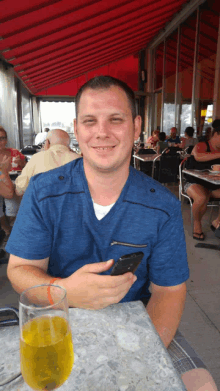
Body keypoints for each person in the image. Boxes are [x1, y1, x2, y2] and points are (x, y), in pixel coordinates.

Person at [6, 76, 217, 391]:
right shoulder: (44, 192)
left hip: (142, 320)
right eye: (90, 121)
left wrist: (142, 350)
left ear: (135, 126)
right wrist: (65, 290)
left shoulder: (162, 206)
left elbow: (169, 291)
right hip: (58, 321)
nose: (102, 132)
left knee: (202, 386)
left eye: (115, 120)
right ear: (77, 129)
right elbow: (19, 271)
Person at [15, 129, 79, 196]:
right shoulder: (79, 160)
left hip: (43, 204)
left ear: (47, 142)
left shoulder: (37, 158)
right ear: (69, 145)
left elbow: (20, 190)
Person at [185, 126, 220, 240]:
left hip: (214, 185)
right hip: (194, 182)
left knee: (205, 196)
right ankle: (197, 223)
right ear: (216, 134)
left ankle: (217, 221)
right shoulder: (202, 145)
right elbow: (199, 156)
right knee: (201, 197)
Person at [0, 126, 26, 237]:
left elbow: (26, 168)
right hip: (4, 184)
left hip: (14, 181)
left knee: (18, 192)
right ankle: (7, 230)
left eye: (2, 138)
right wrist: (3, 170)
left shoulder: (14, 152)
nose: (1, 141)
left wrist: (22, 164)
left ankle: (14, 226)